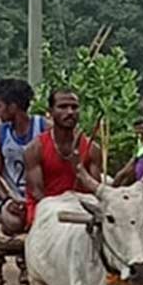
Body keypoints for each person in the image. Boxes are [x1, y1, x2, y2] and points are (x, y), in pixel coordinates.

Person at [24, 89, 102, 228]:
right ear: (51, 111)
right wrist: (59, 209)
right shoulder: (35, 148)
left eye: (74, 107)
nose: (70, 112)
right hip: (47, 206)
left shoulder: (92, 149)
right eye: (63, 107)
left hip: (82, 207)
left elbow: (94, 190)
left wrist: (79, 171)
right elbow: (37, 192)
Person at [0, 78, 45, 237]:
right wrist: (7, 200)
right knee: (15, 222)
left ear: (13, 107)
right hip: (10, 197)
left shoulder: (45, 128)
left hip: (40, 197)